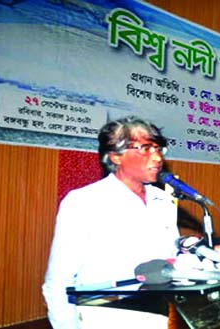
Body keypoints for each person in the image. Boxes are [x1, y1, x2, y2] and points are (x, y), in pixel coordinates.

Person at [42, 117, 179, 329]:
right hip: (104, 315)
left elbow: (170, 262)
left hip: (159, 312)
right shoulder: (84, 201)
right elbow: (58, 281)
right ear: (116, 156)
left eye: (159, 149)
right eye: (145, 148)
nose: (157, 157)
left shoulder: (163, 202)